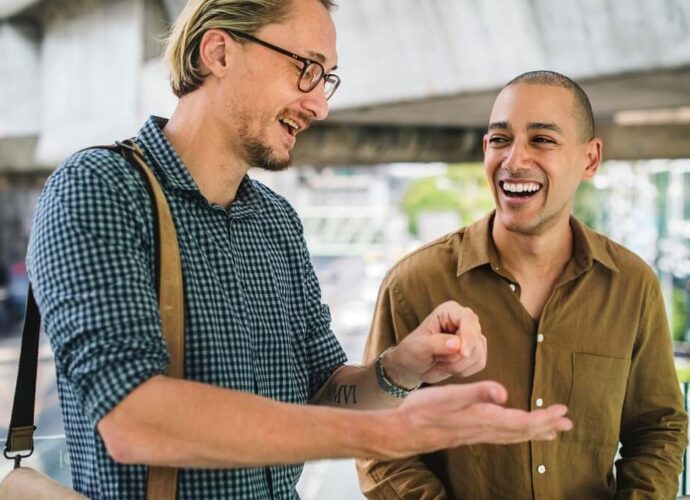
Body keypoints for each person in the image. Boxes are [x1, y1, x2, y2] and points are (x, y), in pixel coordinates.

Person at [25, 2, 573, 499]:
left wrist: (402, 368)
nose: (319, 105)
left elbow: (322, 390)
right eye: (305, 68)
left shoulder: (275, 220)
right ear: (218, 51)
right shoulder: (99, 188)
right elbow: (132, 419)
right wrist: (388, 431)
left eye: (325, 79)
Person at [357, 70, 688, 499]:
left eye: (542, 140)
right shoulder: (414, 284)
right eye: (500, 140)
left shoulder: (633, 286)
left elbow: (659, 428)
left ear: (589, 159)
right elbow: (376, 440)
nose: (514, 160)